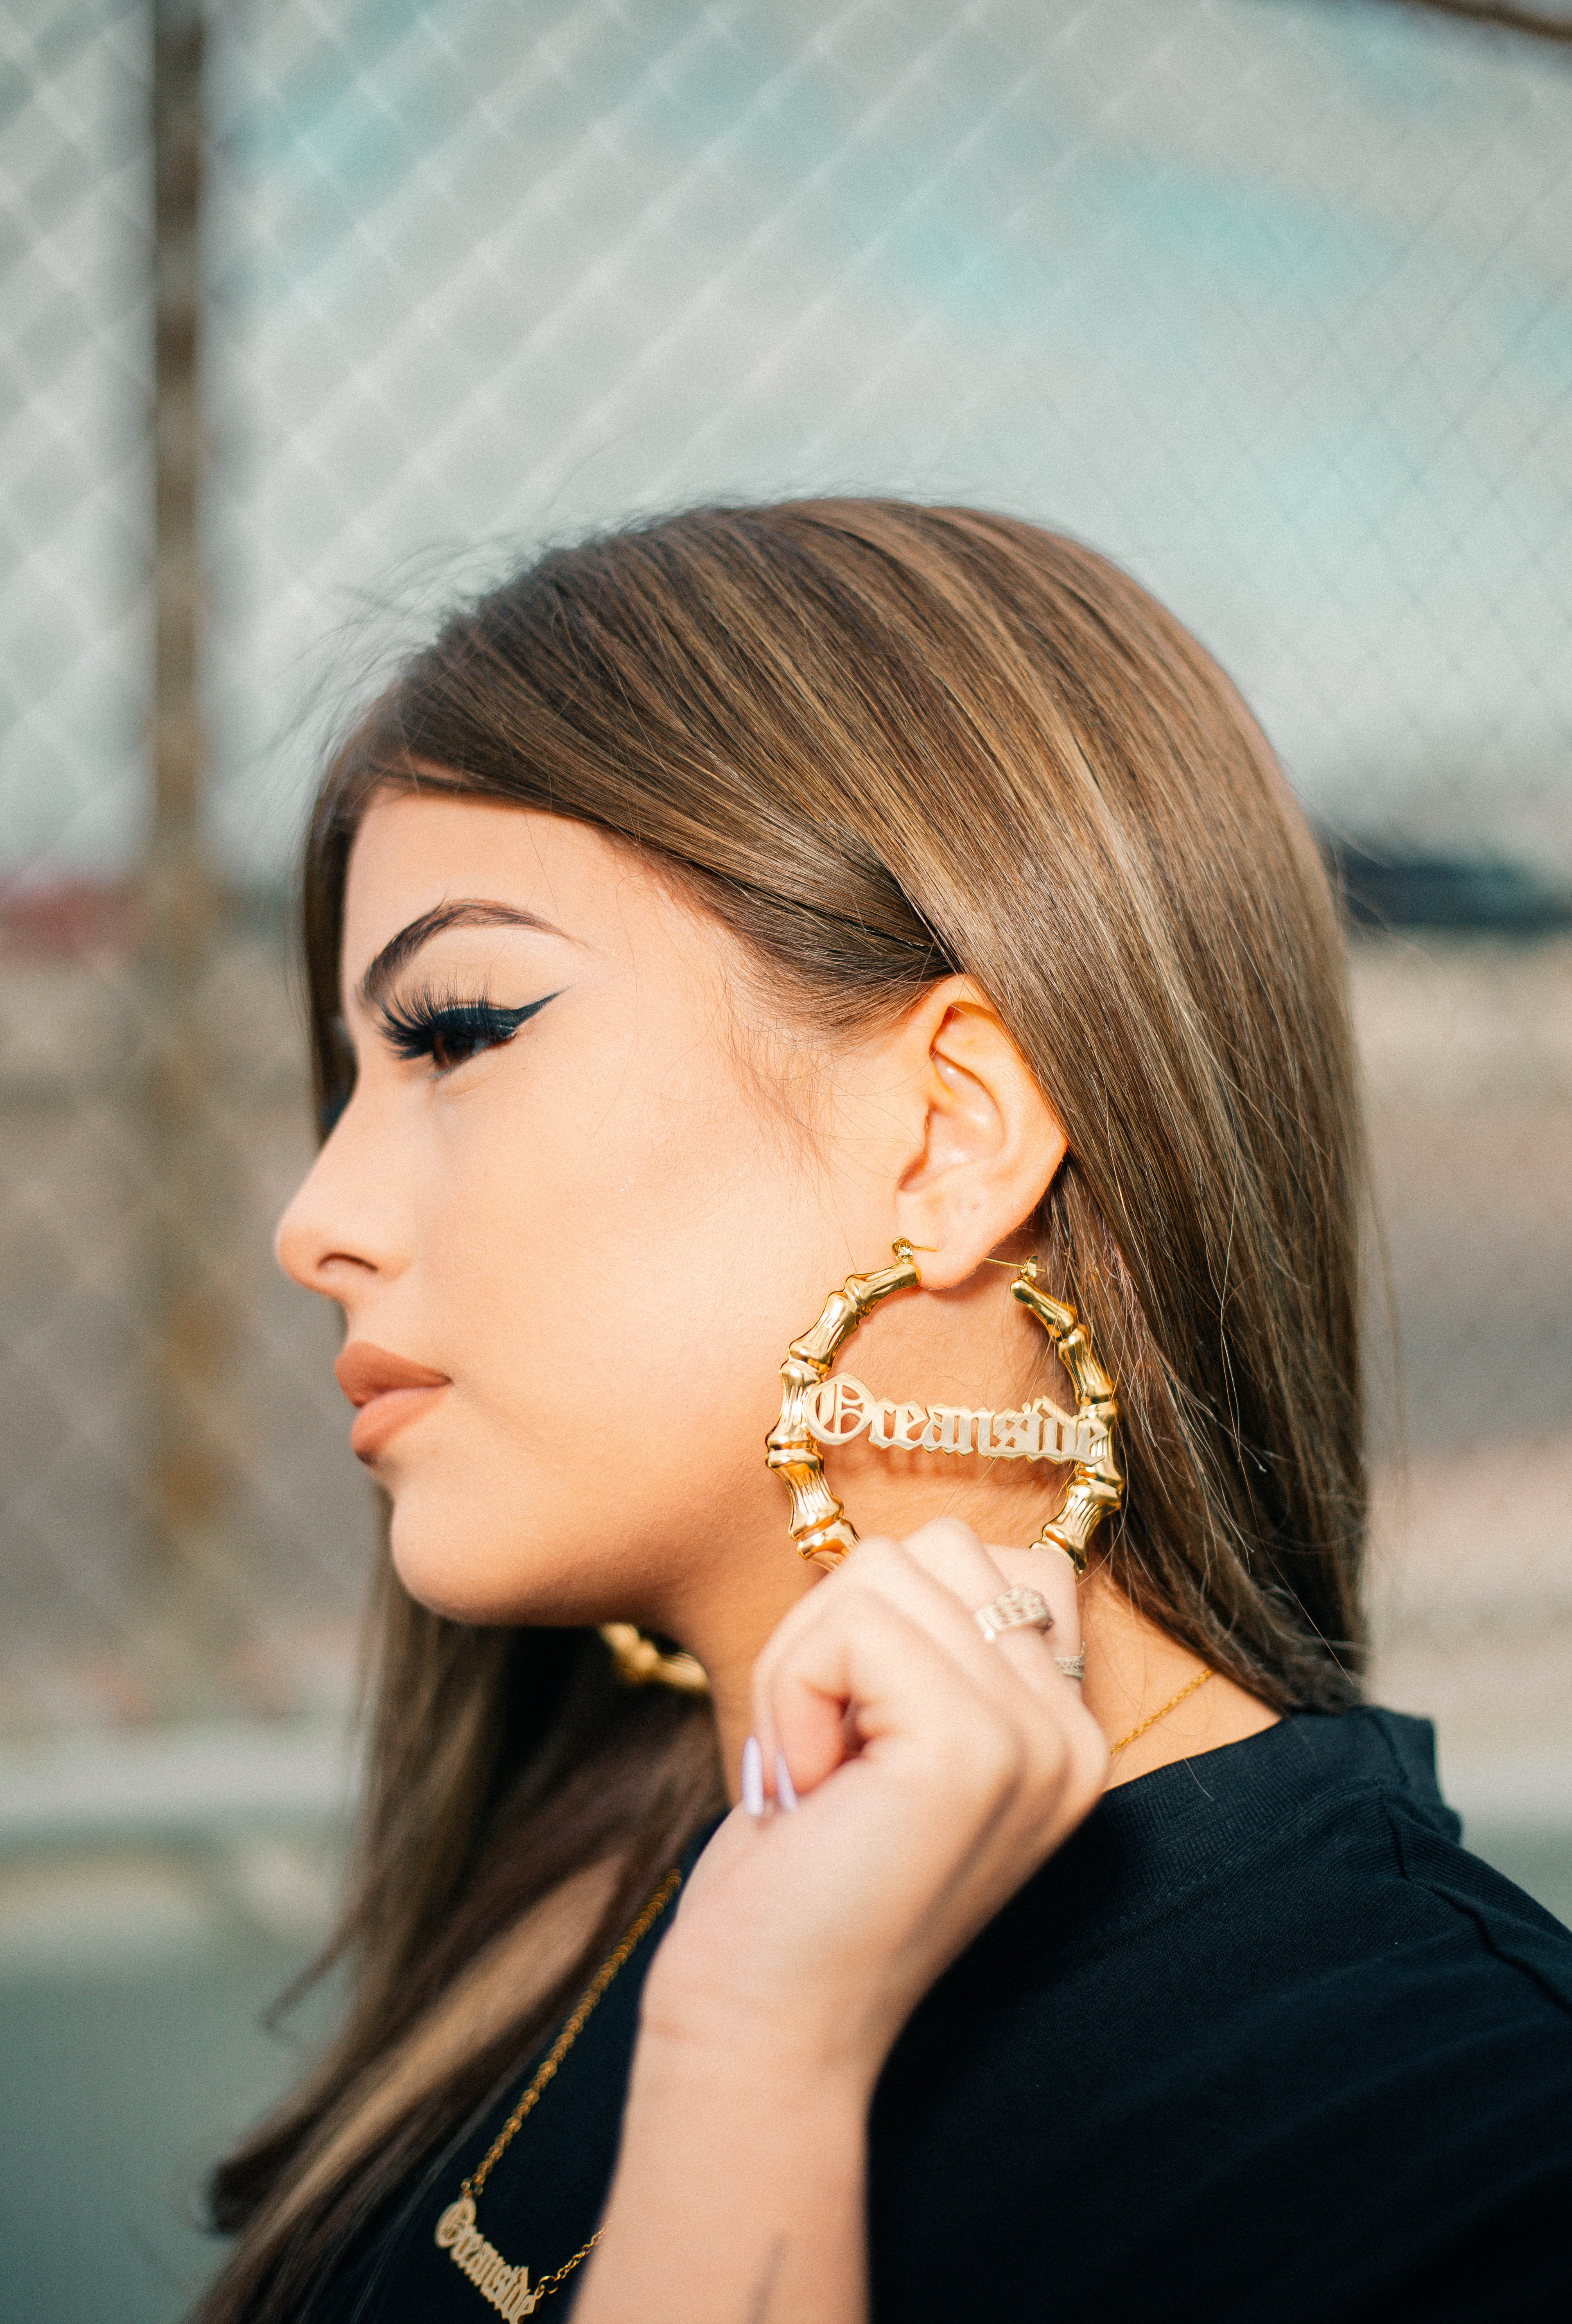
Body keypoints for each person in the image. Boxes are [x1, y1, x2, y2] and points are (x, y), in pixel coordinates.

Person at [197, 501, 1572, 2324]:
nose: (315, 1224)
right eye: (348, 1086)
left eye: (456, 1033)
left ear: (950, 1134)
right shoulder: (572, 1869)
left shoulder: (1466, 2169)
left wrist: (756, 2053)